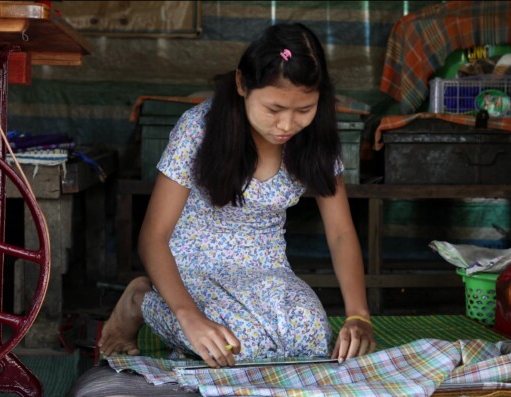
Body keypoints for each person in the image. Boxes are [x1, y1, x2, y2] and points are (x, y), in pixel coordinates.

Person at [98, 23, 376, 368]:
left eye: (304, 110)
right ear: (242, 84)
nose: (287, 125)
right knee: (240, 346)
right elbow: (153, 237)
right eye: (274, 110)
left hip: (266, 269)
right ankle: (142, 299)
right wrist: (189, 317)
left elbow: (340, 232)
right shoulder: (198, 128)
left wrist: (358, 316)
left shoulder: (315, 138)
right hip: (191, 267)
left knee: (310, 337)